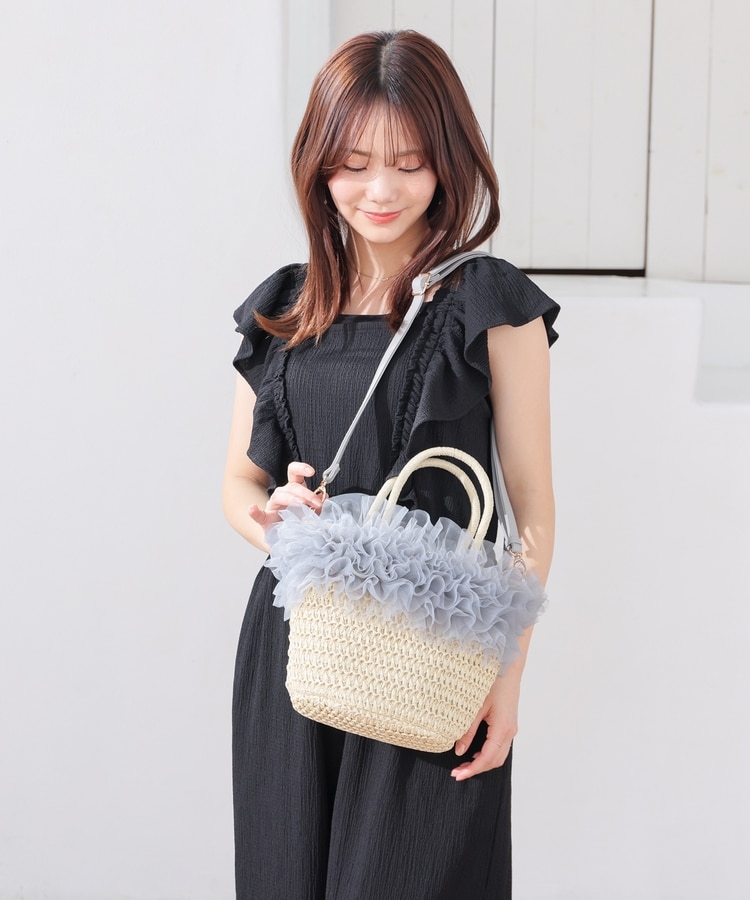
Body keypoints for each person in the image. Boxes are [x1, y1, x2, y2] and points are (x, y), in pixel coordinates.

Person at [223, 29, 559, 900]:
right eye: (355, 164)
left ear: (449, 161)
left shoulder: (491, 302)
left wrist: (508, 674)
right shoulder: (285, 305)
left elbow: (533, 508)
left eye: (410, 164)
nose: (381, 190)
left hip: (435, 648)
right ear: (318, 165)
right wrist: (279, 524)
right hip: (298, 643)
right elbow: (237, 484)